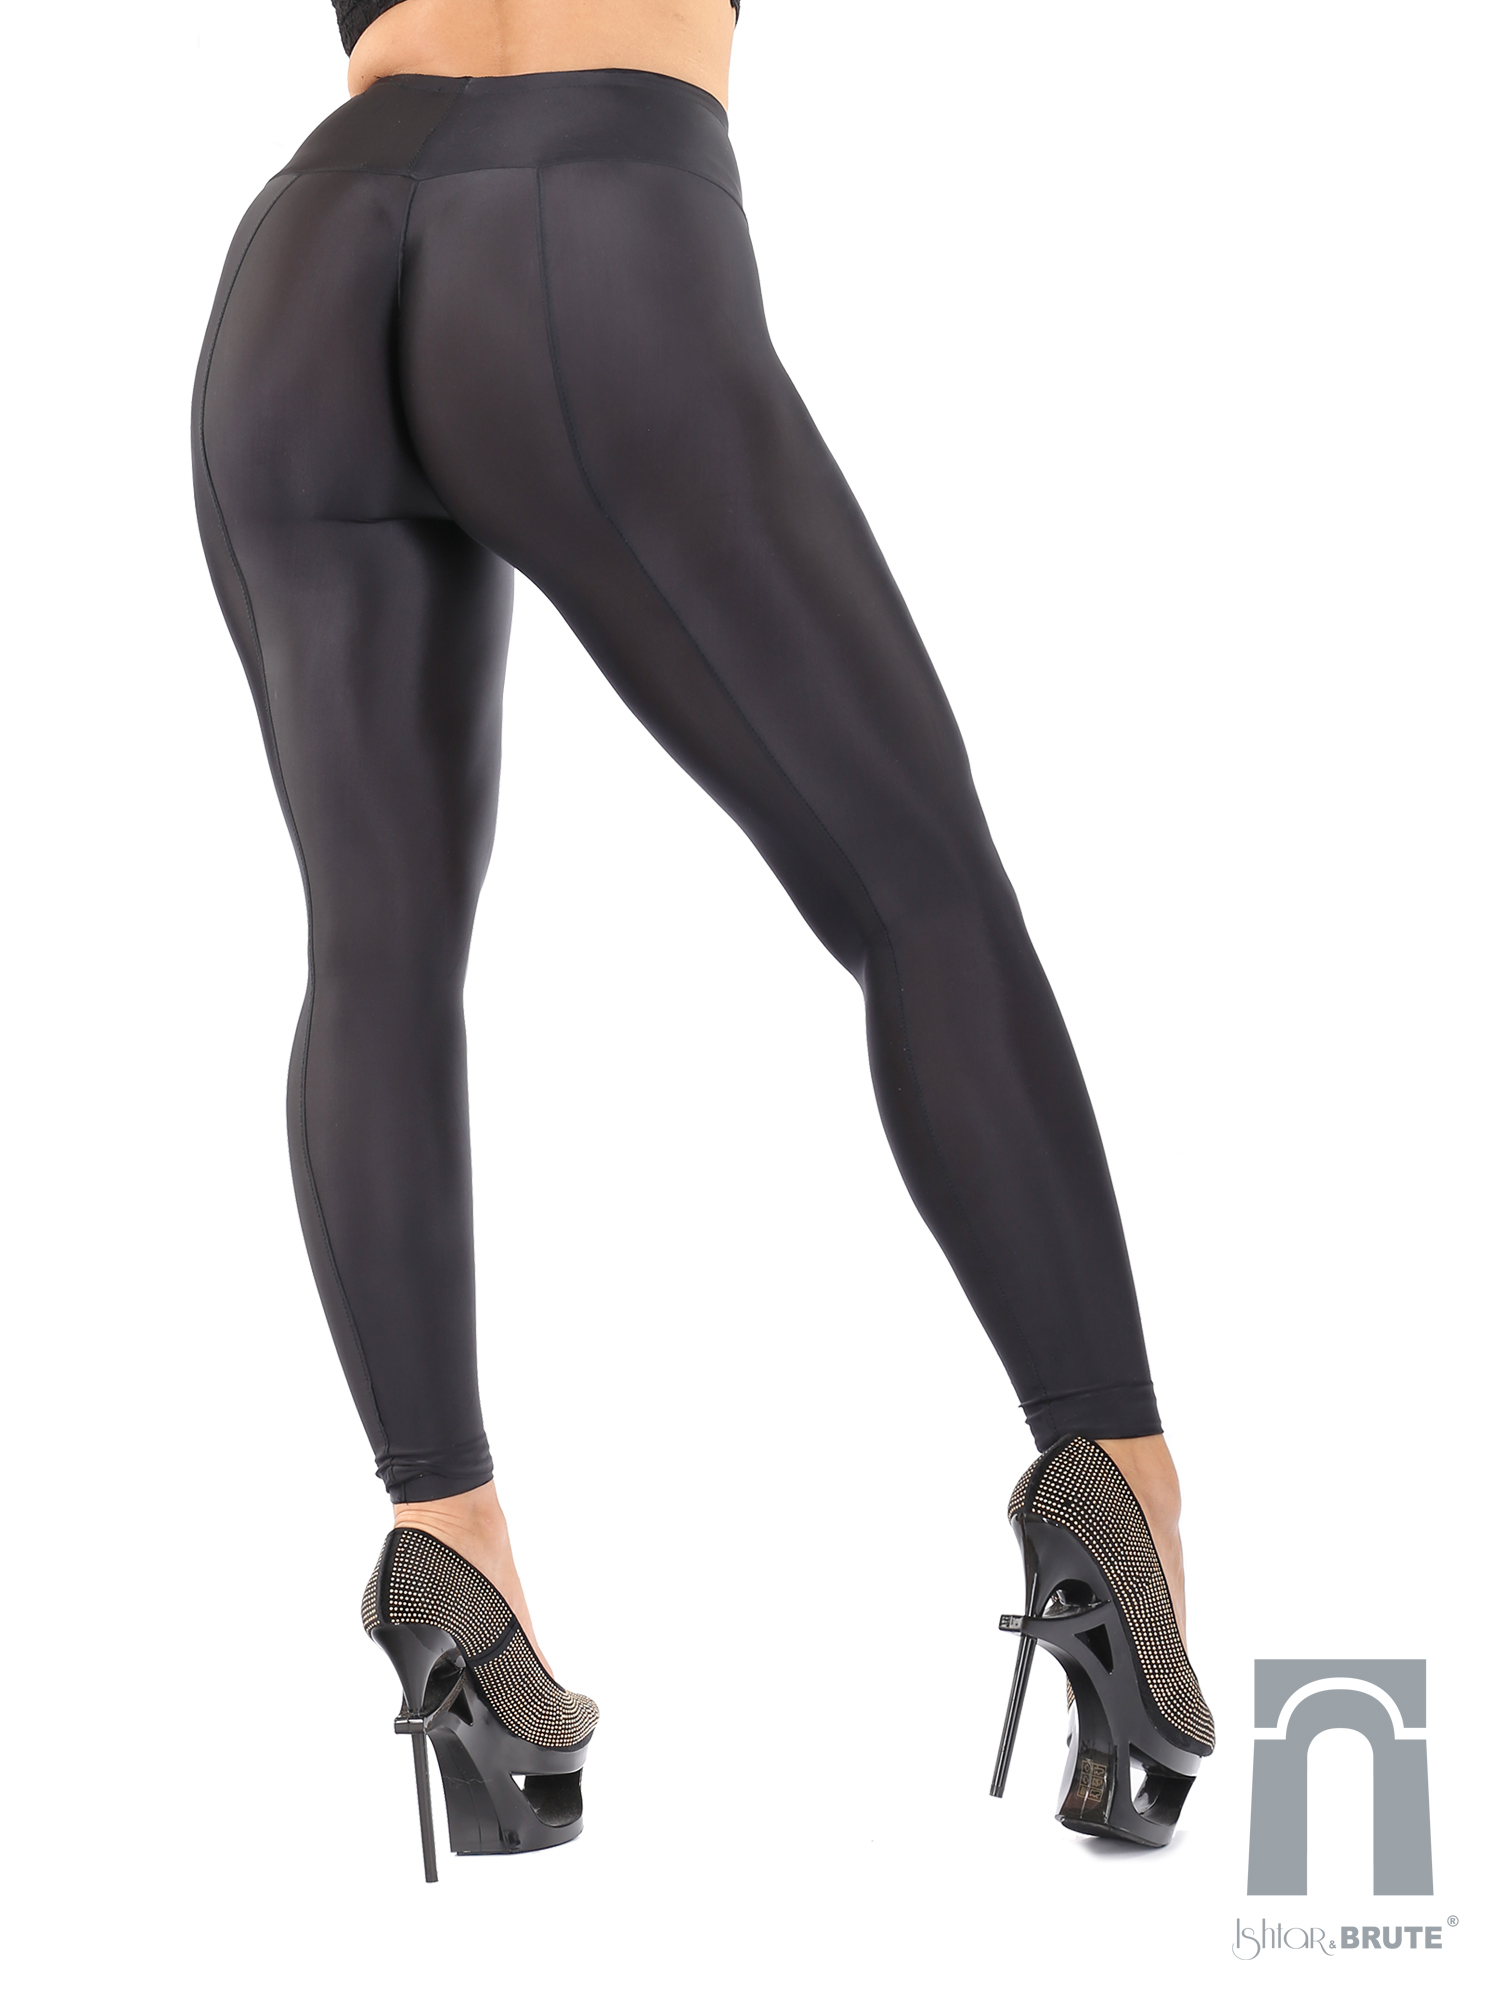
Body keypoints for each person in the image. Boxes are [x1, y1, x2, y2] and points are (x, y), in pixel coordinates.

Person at [192, 0, 1212, 1875]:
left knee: (377, 959)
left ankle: (450, 1545)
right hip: (595, 228)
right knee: (920, 894)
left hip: (303, 256)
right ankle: (1120, 1487)